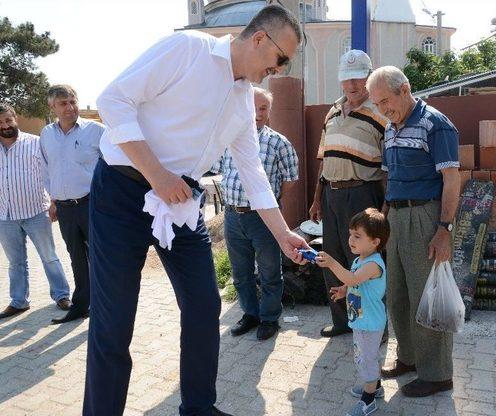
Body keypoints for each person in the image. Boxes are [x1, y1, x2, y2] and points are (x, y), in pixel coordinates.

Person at [84, 5, 305, 416]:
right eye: (281, 59)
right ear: (260, 39)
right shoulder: (187, 49)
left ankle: (199, 408)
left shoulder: (243, 103)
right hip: (122, 192)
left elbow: (254, 175)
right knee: (113, 323)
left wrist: (283, 234)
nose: (279, 69)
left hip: (180, 204)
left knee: (204, 305)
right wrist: (156, 174)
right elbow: (113, 100)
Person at [367, 66, 461, 397]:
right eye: (377, 104)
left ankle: (437, 374)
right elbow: (391, 178)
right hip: (397, 219)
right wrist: (385, 221)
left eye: (386, 101)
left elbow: (452, 180)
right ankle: (409, 358)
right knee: (397, 294)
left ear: (405, 89)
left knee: (427, 296)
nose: (383, 109)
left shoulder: (436, 124)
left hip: (426, 217)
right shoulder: (390, 129)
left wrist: (444, 229)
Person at [309, 50, 387, 338]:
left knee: (365, 262)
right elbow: (325, 159)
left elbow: (388, 167)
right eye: (346, 80)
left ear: (368, 78)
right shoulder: (331, 112)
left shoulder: (381, 113)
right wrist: (317, 198)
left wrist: (385, 208)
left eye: (357, 79)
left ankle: (375, 326)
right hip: (331, 195)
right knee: (332, 258)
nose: (351, 86)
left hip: (362, 194)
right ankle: (343, 321)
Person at [214, 87, 299, 341]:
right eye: (253, 108)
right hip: (232, 216)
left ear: (269, 111)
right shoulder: (229, 139)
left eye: (263, 108)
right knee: (240, 273)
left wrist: (270, 201)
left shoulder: (277, 142)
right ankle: (250, 314)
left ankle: (270, 318)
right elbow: (220, 170)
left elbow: (290, 179)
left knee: (270, 270)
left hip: (263, 219)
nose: (257, 114)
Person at [40, 85, 104, 324]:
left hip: (92, 205)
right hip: (65, 208)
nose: (70, 107)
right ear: (52, 107)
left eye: (72, 101)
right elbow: (47, 169)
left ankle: (105, 306)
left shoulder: (96, 131)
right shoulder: (47, 134)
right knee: (76, 257)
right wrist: (54, 200)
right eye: (63, 103)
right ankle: (81, 306)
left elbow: (113, 164)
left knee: (100, 256)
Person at [0, 103, 71, 319]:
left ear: (15, 119)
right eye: (0, 122)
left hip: (36, 212)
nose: (4, 126)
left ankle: (61, 295)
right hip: (5, 215)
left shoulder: (35, 143)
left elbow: (51, 172)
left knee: (49, 256)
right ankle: (19, 301)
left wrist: (54, 201)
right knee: (15, 262)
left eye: (8, 120)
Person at [316, 208, 389, 416]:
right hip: (360, 320)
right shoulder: (360, 260)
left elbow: (353, 278)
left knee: (367, 360)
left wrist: (331, 263)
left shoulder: (374, 264)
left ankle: (368, 401)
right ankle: (376, 387)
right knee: (365, 356)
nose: (351, 240)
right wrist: (344, 290)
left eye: (358, 236)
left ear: (375, 241)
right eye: (350, 234)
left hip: (371, 323)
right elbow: (354, 282)